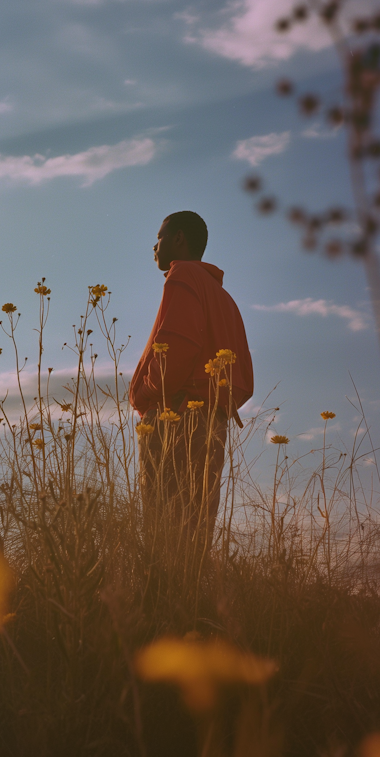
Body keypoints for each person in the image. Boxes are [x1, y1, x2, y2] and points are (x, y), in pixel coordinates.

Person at [129, 211, 253, 546]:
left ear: (179, 238)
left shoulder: (182, 274)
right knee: (195, 532)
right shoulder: (223, 298)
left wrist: (146, 394)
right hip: (213, 421)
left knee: (162, 531)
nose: (154, 246)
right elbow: (243, 376)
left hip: (176, 415)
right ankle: (190, 599)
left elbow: (178, 346)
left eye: (160, 237)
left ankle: (160, 597)